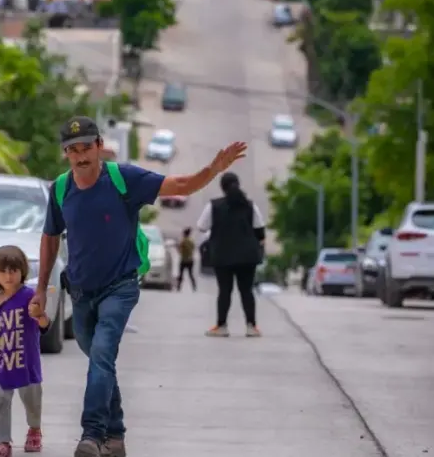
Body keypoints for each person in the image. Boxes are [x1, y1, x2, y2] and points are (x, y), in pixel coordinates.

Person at [31, 116, 247, 457]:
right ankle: (115, 436)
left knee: (102, 354)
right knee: (101, 362)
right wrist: (42, 288)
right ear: (66, 154)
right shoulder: (61, 189)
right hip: (81, 291)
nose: (81, 156)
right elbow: (50, 237)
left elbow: (179, 185)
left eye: (87, 147)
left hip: (120, 286)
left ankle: (92, 433)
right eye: (73, 150)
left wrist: (213, 169)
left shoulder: (123, 179)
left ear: (100, 146)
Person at [0, 245, 52, 457]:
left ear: (22, 271)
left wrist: (39, 315)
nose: (8, 276)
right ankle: (4, 441)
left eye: (13, 270)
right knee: (2, 401)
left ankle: (34, 430)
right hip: (4, 360)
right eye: (2, 271)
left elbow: (44, 325)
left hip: (27, 361)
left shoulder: (30, 296)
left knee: (32, 400)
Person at [197, 172, 265, 338]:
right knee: (247, 291)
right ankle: (251, 326)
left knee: (225, 291)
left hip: (223, 255)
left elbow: (201, 226)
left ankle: (221, 326)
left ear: (222, 187)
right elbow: (260, 230)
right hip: (247, 256)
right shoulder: (250, 205)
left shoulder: (214, 206)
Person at [176, 227, 197, 292]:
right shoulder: (191, 241)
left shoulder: (183, 241)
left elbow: (179, 250)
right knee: (191, 274)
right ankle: (194, 286)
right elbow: (193, 248)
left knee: (181, 274)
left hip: (183, 260)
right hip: (190, 260)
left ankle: (178, 287)